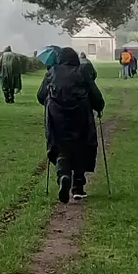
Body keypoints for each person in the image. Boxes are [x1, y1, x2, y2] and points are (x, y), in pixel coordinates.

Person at [37, 45, 106, 203]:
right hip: (80, 117)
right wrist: (99, 107)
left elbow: (41, 96)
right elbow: (95, 96)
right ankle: (78, 187)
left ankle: (63, 175)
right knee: (81, 148)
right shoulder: (82, 72)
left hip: (57, 119)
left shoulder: (52, 72)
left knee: (61, 148)